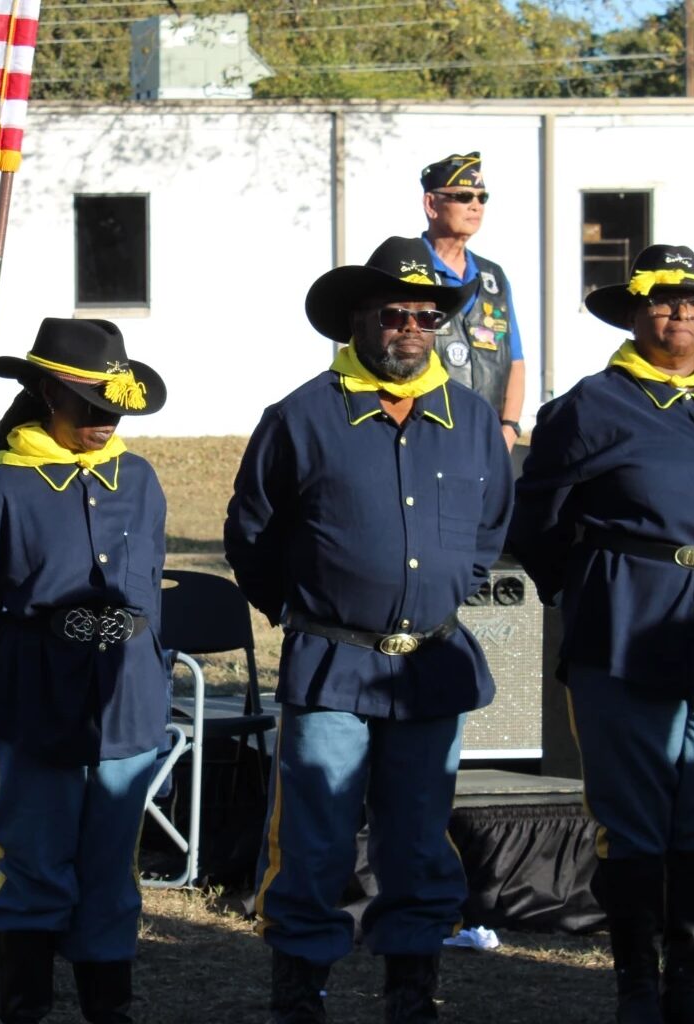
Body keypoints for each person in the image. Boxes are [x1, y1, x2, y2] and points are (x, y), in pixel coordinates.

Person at [225, 236, 512, 1023]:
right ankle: (300, 996)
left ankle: (410, 995)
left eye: (427, 315)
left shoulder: (474, 420)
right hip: (332, 665)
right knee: (315, 841)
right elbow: (252, 536)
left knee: (418, 842)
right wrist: (306, 610)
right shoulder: (299, 418)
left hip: (431, 666)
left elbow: (488, 532)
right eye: (395, 312)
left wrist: (446, 588)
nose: (412, 327)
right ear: (358, 318)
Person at [507, 245, 694, 1024]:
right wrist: (596, 592)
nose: (682, 316)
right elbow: (540, 524)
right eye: (664, 303)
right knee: (630, 819)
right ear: (633, 313)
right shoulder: (590, 407)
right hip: (625, 635)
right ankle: (636, 986)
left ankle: (689, 985)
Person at [0, 318, 169, 1024]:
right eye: (89, 408)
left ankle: (110, 1008)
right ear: (48, 394)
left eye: (115, 409)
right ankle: (29, 1007)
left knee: (111, 861)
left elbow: (153, 584)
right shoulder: (3, 491)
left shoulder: (139, 479)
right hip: (33, 692)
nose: (105, 422)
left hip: (125, 693)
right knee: (35, 854)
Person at [418, 151, 526, 451]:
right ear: (431, 204)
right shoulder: (411, 269)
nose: (475, 206)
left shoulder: (493, 276)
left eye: (482, 197)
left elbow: (514, 360)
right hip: (426, 437)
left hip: (488, 440)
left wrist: (509, 428)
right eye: (463, 196)